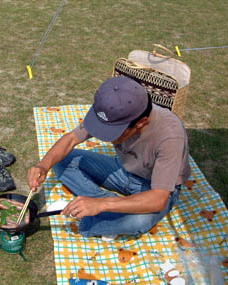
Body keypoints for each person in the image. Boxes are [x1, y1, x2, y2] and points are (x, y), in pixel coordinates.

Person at [27, 76, 191, 238]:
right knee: (61, 159)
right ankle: (106, 207)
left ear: (141, 122)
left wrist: (102, 205)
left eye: (113, 132)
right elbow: (71, 139)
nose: (104, 136)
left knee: (138, 222)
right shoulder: (112, 109)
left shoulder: (170, 136)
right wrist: (43, 165)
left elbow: (158, 198)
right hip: (123, 170)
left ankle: (97, 216)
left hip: (151, 187)